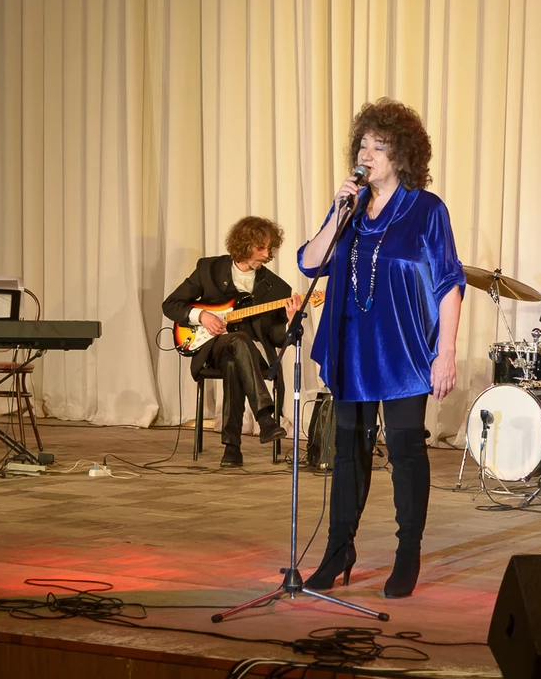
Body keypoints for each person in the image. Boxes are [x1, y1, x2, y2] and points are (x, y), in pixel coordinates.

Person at [298, 98, 464, 598]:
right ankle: (338, 549)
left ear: (402, 154)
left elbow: (449, 283)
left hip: (404, 350)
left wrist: (446, 351)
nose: (367, 155)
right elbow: (311, 263)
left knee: (406, 450)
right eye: (363, 145)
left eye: (380, 147)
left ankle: (407, 552)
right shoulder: (349, 208)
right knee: (348, 451)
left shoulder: (426, 210)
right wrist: (337, 212)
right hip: (352, 346)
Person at [163, 216, 299, 468]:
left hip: (249, 355)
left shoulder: (277, 288)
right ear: (244, 244)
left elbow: (276, 337)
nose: (267, 254)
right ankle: (265, 418)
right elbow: (170, 304)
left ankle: (232, 447)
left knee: (236, 357)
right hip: (210, 348)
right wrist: (202, 316)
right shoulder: (209, 269)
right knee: (237, 341)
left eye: (270, 248)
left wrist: (291, 322)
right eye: (261, 247)